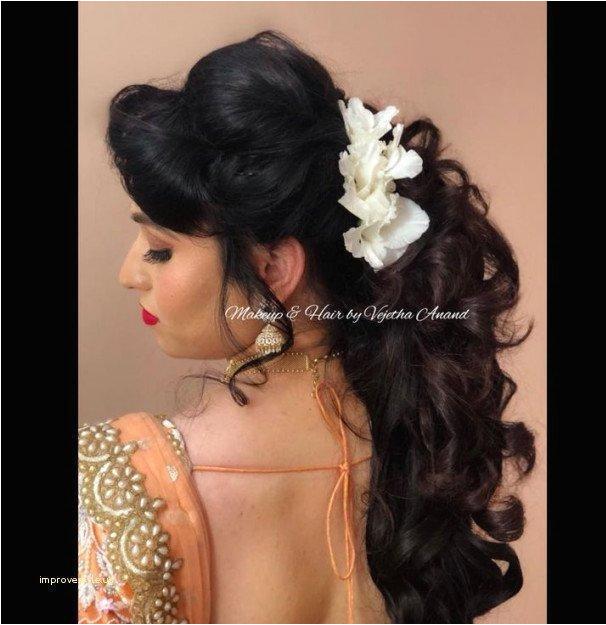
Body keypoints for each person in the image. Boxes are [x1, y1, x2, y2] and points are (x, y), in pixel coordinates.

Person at [78, 30, 536, 624]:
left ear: (275, 269)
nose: (128, 275)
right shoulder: (420, 436)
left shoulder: (115, 477)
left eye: (160, 250)